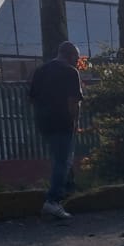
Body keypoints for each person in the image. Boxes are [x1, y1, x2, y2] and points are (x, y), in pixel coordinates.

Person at [28, 40, 82, 220]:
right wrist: (74, 121)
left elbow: (32, 98)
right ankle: (53, 200)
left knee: (60, 158)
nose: (77, 62)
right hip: (62, 121)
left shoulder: (40, 71)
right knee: (63, 160)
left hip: (44, 122)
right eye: (77, 58)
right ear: (72, 55)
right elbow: (73, 101)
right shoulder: (70, 72)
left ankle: (69, 189)